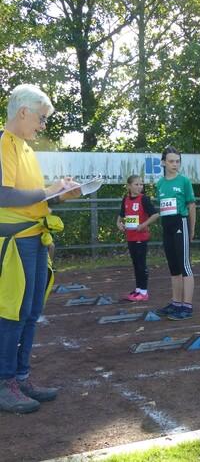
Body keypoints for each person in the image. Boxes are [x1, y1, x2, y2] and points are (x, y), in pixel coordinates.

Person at [0, 84, 81, 414]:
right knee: (13, 312)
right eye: (41, 118)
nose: (43, 125)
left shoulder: (25, 149)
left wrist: (59, 196)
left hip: (34, 239)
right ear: (23, 112)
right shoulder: (4, 143)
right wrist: (49, 191)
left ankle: (20, 378)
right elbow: (3, 195)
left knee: (31, 311)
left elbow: (33, 199)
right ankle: (5, 382)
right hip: (14, 242)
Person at [155, 146, 196, 320]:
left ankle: (187, 306)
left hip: (181, 222)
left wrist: (191, 229)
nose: (175, 164)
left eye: (177, 161)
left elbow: (191, 205)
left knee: (184, 265)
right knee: (173, 266)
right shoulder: (160, 184)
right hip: (167, 226)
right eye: (171, 161)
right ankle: (176, 303)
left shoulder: (184, 181)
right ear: (163, 163)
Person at [117, 175, 159, 302]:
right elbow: (121, 216)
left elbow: (155, 214)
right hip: (130, 237)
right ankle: (138, 289)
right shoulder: (125, 199)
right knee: (135, 264)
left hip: (141, 236)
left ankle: (144, 292)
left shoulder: (144, 199)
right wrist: (119, 224)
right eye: (136, 184)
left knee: (141, 264)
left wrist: (143, 225)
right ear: (129, 186)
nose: (139, 187)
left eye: (141, 184)